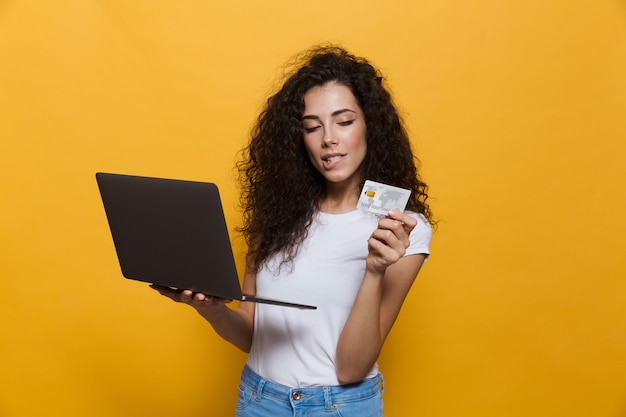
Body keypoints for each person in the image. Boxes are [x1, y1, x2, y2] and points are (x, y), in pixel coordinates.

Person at [152, 45, 434, 417]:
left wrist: (375, 270)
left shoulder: (402, 229)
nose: (328, 139)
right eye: (312, 127)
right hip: (258, 400)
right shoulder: (276, 218)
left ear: (371, 126)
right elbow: (254, 337)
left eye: (344, 122)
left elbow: (351, 368)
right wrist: (212, 310)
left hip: (340, 406)